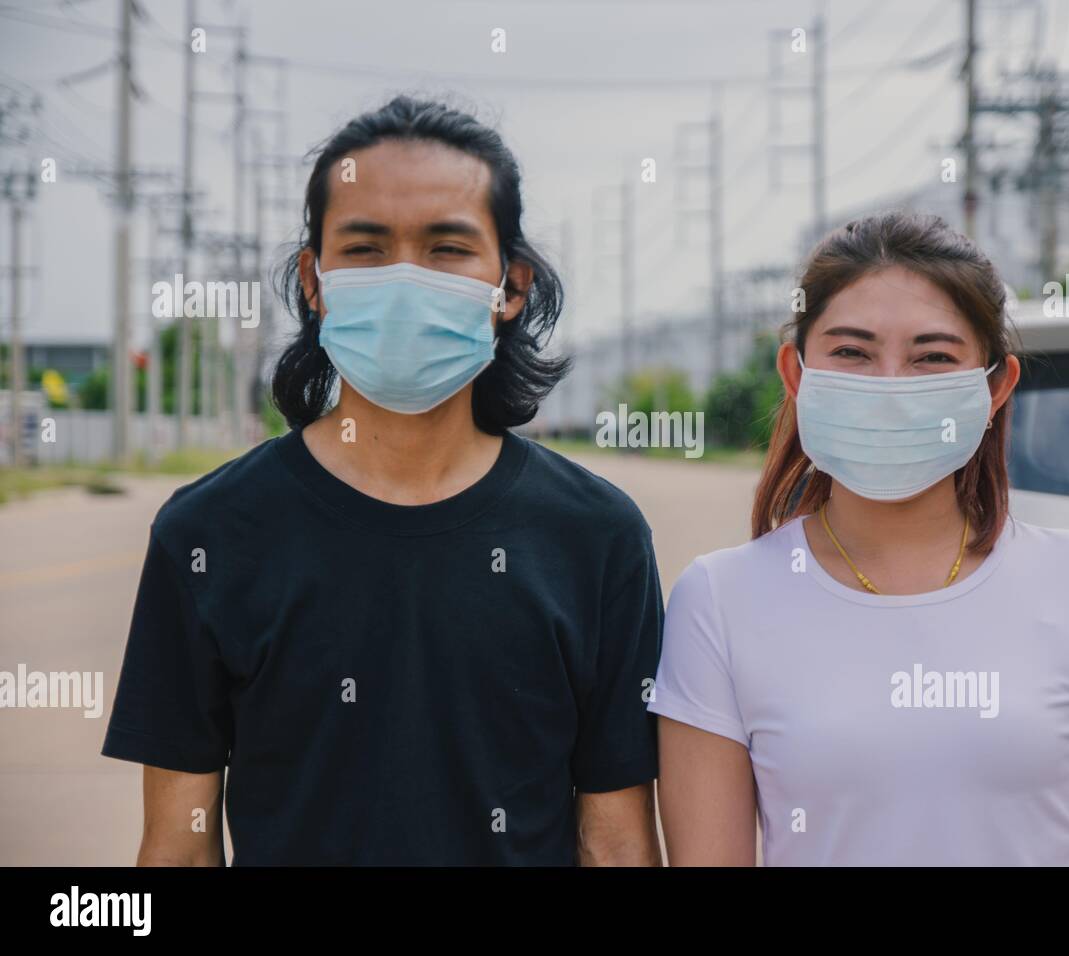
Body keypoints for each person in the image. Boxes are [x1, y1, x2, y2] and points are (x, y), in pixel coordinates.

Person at [101, 96, 663, 866]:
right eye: (365, 248)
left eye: (446, 248)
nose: (405, 278)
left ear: (512, 285)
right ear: (314, 280)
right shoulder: (208, 534)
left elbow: (617, 844)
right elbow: (178, 849)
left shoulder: (597, 537)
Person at [648, 212, 1069, 866]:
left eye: (933, 357)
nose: (891, 389)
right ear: (796, 375)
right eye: (852, 352)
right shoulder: (720, 598)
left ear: (995, 389)